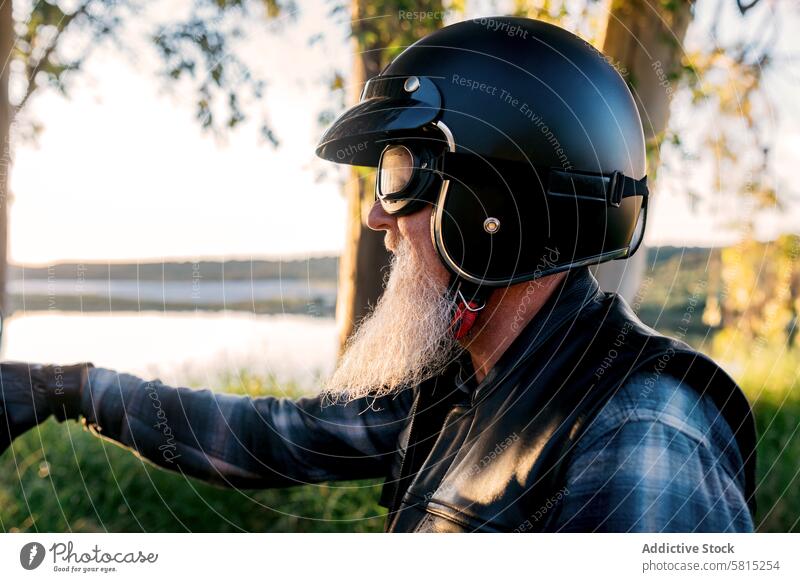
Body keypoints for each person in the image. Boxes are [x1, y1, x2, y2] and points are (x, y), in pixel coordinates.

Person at [0, 17, 756, 532]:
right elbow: (272, 439)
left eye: (398, 177)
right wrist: (70, 388)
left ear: (500, 205)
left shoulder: (644, 431)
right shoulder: (463, 386)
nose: (377, 219)